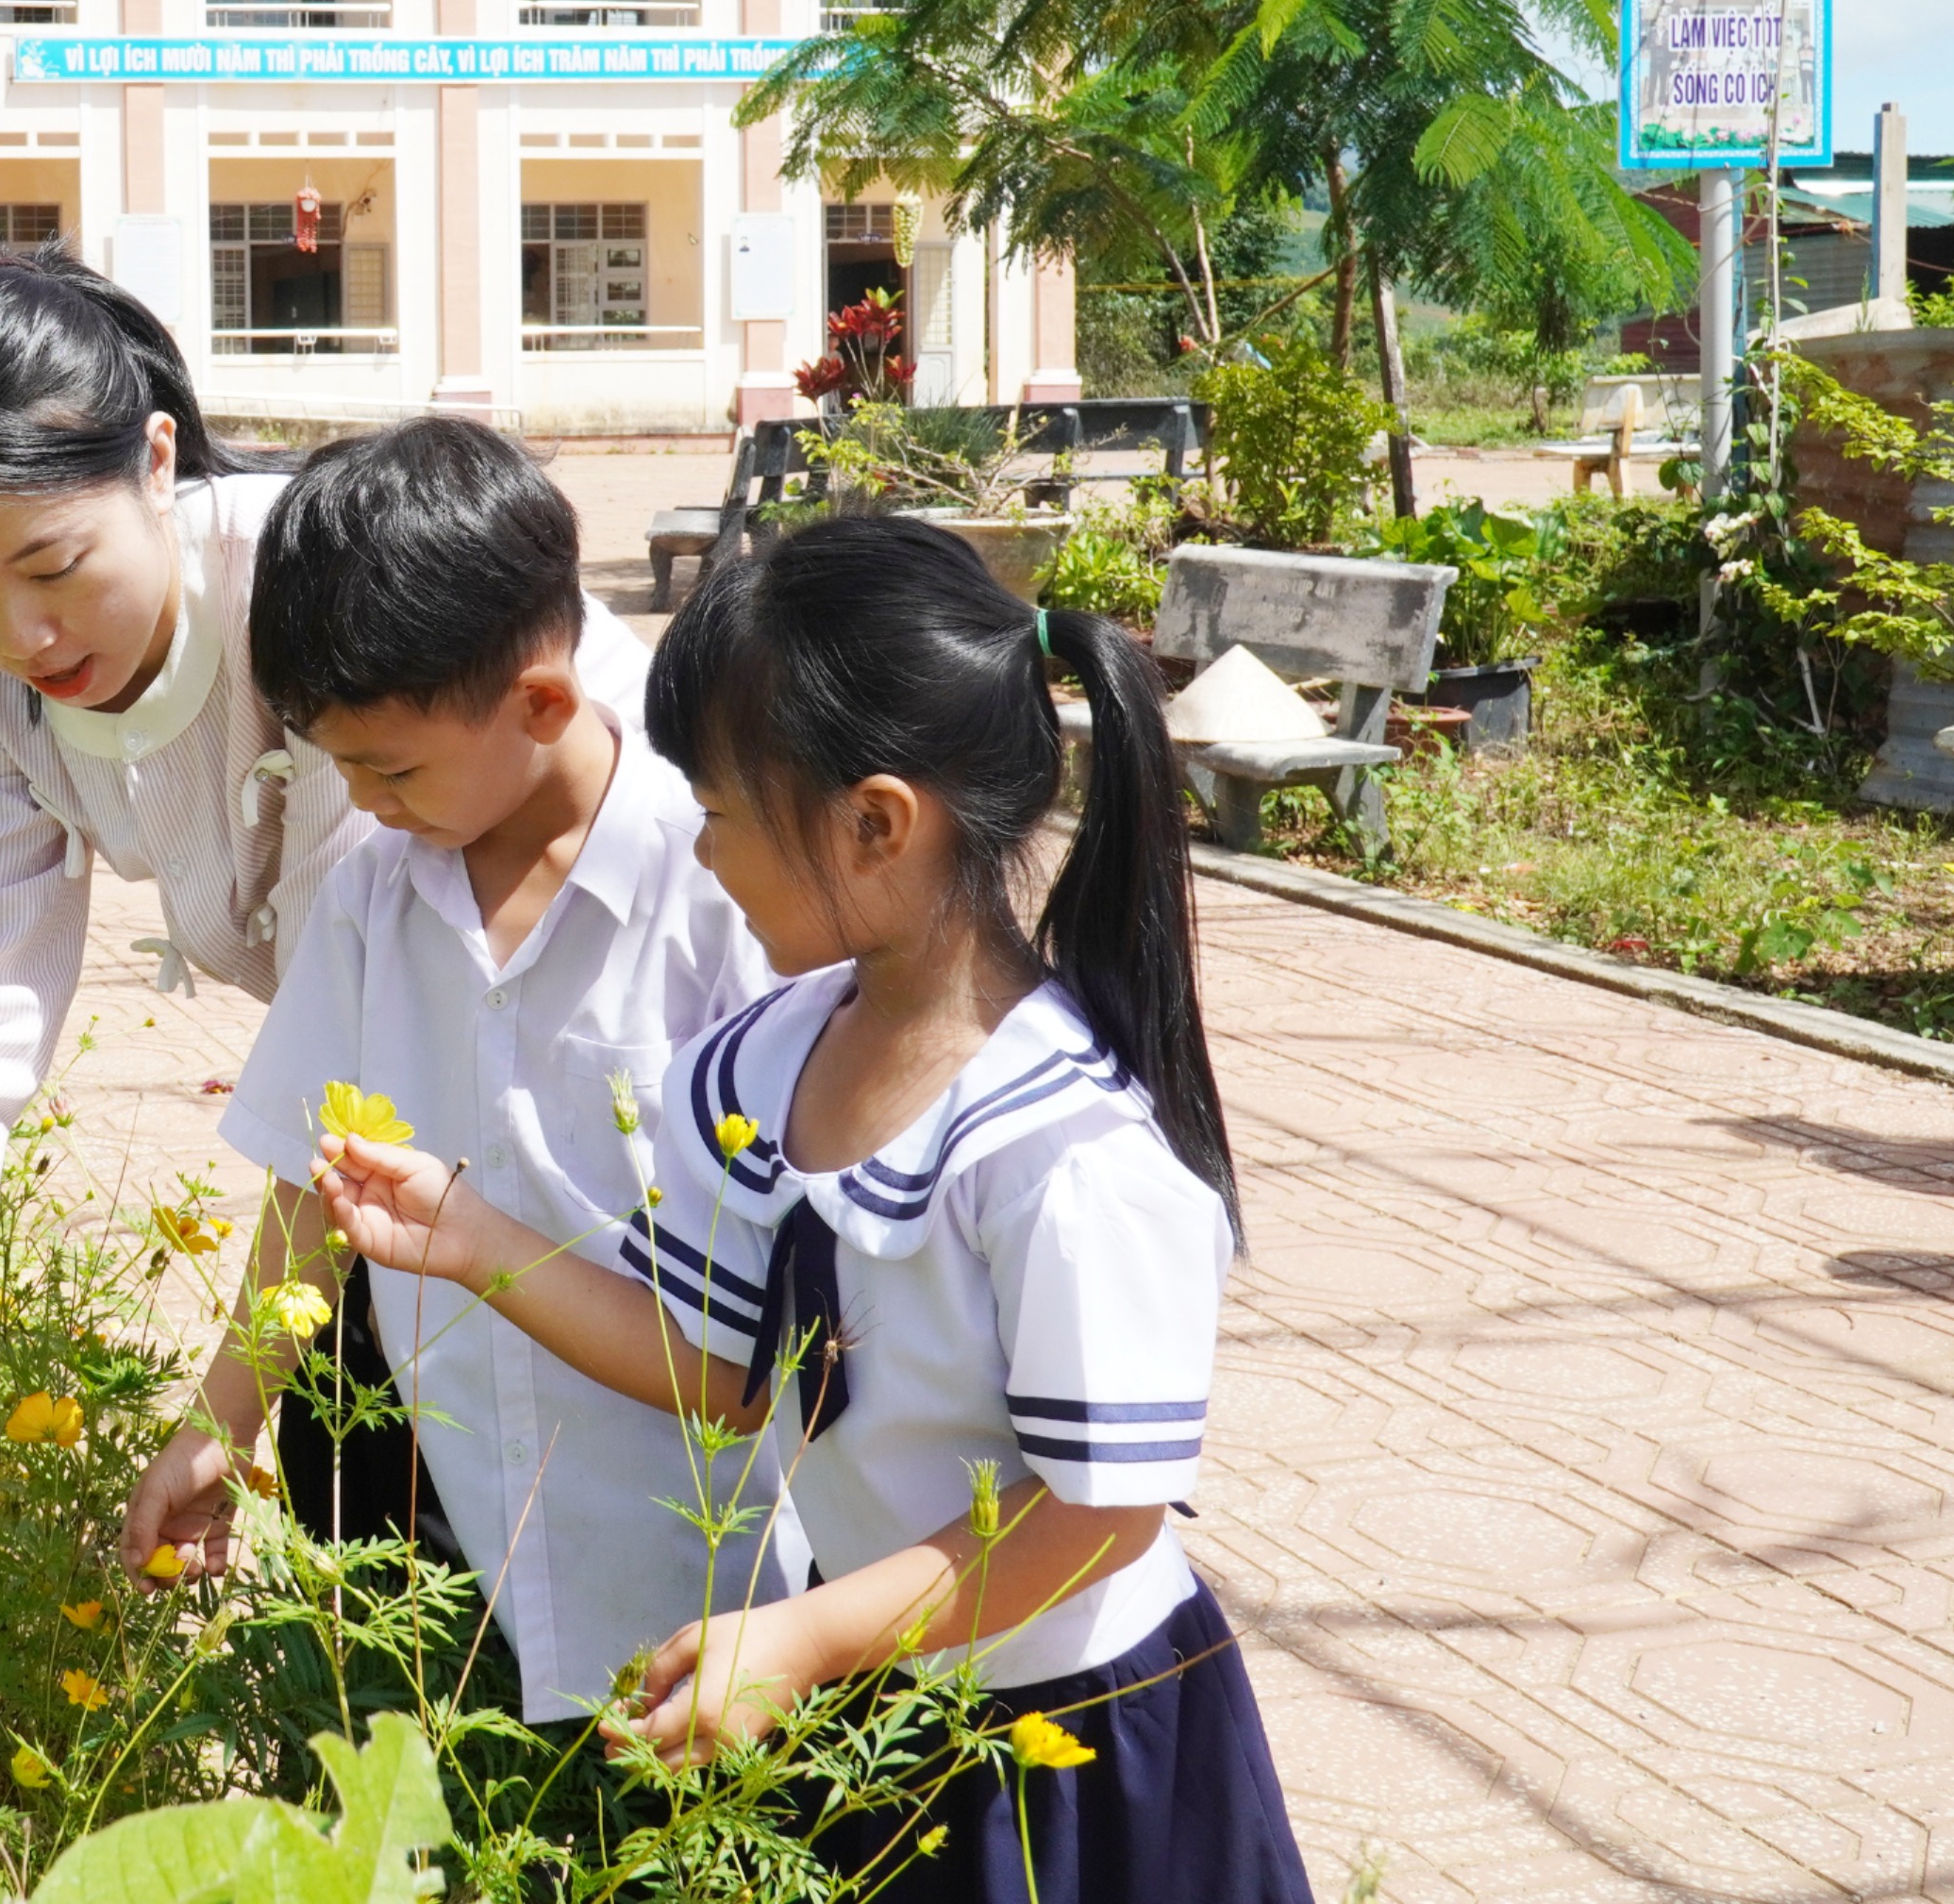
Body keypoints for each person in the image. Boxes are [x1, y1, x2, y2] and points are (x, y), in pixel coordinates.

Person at [311, 514, 1309, 1903]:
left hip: (1075, 1746)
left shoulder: (1062, 1154)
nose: (701, 852)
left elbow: (1099, 1520)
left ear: (877, 821)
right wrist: (475, 1245)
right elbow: (724, 1374)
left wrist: (805, 1637)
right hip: (880, 1700)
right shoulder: (761, 1063)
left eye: (721, 812)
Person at [0, 249, 648, 1491]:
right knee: (371, 1465)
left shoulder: (322, 601)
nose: (20, 635)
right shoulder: (2, 686)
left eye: (54, 567)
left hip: (600, 1073)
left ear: (157, 461)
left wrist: (223, 1412)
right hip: (396, 1132)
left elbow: (354, 1035)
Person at [114, 416, 778, 1724]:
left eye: (392, 766)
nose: (365, 802)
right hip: (460, 1557)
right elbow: (314, 1191)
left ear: (542, 701)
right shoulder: (375, 899)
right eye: (339, 764)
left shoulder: (719, 890)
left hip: (711, 1588)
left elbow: (784, 1317)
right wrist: (220, 1419)